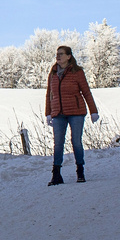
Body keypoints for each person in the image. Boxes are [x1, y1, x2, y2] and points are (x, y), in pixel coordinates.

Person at [44, 45, 99, 185]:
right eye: (57, 54)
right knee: (58, 144)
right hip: (58, 113)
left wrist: (93, 111)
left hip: (76, 112)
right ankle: (56, 175)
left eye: (61, 54)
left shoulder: (77, 72)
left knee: (76, 142)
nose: (58, 56)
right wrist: (48, 113)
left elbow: (86, 92)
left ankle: (80, 171)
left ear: (69, 56)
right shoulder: (53, 72)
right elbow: (49, 94)